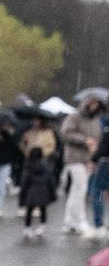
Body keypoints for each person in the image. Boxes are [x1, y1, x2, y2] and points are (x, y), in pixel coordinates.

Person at [61, 97, 104, 237]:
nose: (94, 106)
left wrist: (94, 156)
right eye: (92, 103)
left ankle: (69, 222)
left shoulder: (96, 121)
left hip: (88, 158)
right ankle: (80, 221)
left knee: (77, 190)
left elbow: (98, 138)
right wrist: (84, 140)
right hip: (74, 158)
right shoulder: (74, 117)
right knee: (80, 189)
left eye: (97, 104)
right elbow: (66, 133)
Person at [19, 145, 57, 240]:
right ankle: (42, 227)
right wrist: (52, 195)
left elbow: (24, 183)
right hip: (44, 192)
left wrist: (22, 197)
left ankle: (27, 229)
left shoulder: (28, 167)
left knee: (29, 211)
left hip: (31, 193)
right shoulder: (46, 167)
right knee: (43, 210)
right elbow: (51, 182)